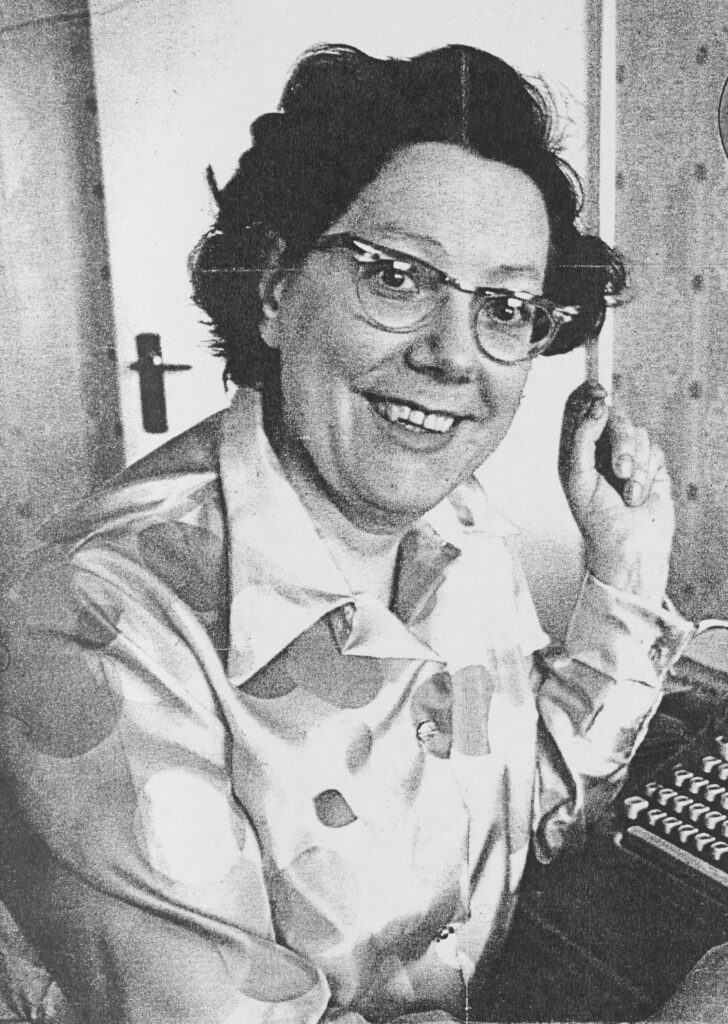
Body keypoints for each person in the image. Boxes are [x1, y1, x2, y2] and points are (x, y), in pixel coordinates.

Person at [0, 43, 694, 1024]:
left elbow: (505, 810)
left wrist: (622, 572)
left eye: (502, 306)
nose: (452, 355)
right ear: (276, 287)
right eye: (397, 276)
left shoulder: (453, 537)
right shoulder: (89, 629)